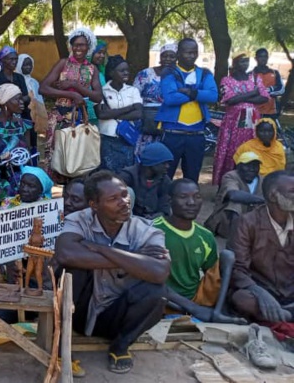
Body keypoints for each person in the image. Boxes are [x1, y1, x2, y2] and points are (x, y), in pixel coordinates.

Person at [55, 171, 170, 374]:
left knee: (157, 292)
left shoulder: (145, 230)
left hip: (117, 316)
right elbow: (65, 254)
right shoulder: (79, 220)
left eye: (125, 194)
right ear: (94, 205)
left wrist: (103, 249)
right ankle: (61, 341)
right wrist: (135, 258)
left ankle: (121, 345)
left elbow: (160, 271)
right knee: (72, 270)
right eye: (113, 199)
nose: (124, 202)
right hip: (79, 313)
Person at [154, 179, 244, 323]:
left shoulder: (205, 236)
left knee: (228, 257)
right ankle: (192, 312)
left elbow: (213, 276)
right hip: (164, 299)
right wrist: (193, 308)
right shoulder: (154, 230)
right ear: (170, 201)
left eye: (197, 197)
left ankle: (218, 311)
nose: (191, 203)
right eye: (183, 197)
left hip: (196, 298)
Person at [229, 170, 294, 324]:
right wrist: (259, 292)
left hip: (291, 292)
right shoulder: (247, 222)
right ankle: (286, 316)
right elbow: (237, 268)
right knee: (241, 299)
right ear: (273, 196)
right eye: (292, 191)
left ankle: (284, 315)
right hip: (261, 289)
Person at [39, 27, 103, 182]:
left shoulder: (92, 69)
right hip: (59, 116)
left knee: (75, 155)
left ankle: (72, 192)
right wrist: (71, 94)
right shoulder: (63, 63)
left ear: (88, 47)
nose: (78, 48)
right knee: (55, 155)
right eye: (75, 45)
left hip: (79, 117)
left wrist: (75, 85)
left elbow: (98, 96)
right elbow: (43, 88)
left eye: (82, 45)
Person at [157, 38, 218, 183]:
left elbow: (213, 96)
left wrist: (190, 92)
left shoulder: (204, 73)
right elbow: (170, 98)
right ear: (178, 53)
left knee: (192, 177)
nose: (192, 56)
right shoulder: (169, 72)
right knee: (165, 176)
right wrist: (199, 94)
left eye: (194, 52)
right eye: (188, 52)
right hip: (172, 133)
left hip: (197, 134)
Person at [212, 52, 269, 185]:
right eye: (242, 61)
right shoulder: (227, 80)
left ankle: (248, 185)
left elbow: (264, 97)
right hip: (232, 124)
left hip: (252, 125)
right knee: (230, 152)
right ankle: (227, 184)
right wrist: (252, 93)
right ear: (235, 63)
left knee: (250, 150)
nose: (245, 64)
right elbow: (229, 100)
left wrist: (241, 97)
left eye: (247, 61)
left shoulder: (254, 78)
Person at [96, 55, 142, 171]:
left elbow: (138, 114)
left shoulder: (133, 90)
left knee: (126, 172)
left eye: (127, 70)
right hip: (108, 139)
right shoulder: (102, 91)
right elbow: (101, 115)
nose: (126, 73)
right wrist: (129, 108)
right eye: (122, 71)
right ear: (112, 73)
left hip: (127, 138)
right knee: (109, 173)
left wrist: (112, 113)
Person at [205, 151, 265, 239]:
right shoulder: (230, 176)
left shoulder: (262, 180)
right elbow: (233, 195)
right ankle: (235, 239)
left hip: (251, 222)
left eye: (255, 165)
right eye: (247, 165)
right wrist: (264, 200)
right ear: (238, 166)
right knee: (235, 203)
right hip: (227, 222)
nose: (252, 169)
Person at [133, 43, 177, 155]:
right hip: (147, 117)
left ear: (176, 58)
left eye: (172, 56)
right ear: (160, 57)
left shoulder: (178, 76)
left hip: (169, 119)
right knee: (144, 151)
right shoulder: (146, 74)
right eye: (164, 56)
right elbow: (134, 94)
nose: (168, 59)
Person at [117, 142, 173, 220]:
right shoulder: (128, 176)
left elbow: (165, 204)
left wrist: (160, 214)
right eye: (163, 163)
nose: (167, 166)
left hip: (153, 220)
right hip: (129, 218)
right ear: (152, 163)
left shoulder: (164, 180)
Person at [252, 48, 285, 119]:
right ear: (256, 58)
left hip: (272, 111)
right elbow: (250, 91)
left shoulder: (275, 73)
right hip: (254, 111)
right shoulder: (251, 74)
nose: (263, 59)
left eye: (265, 56)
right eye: (260, 56)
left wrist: (264, 91)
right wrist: (273, 89)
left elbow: (281, 90)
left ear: (267, 58)